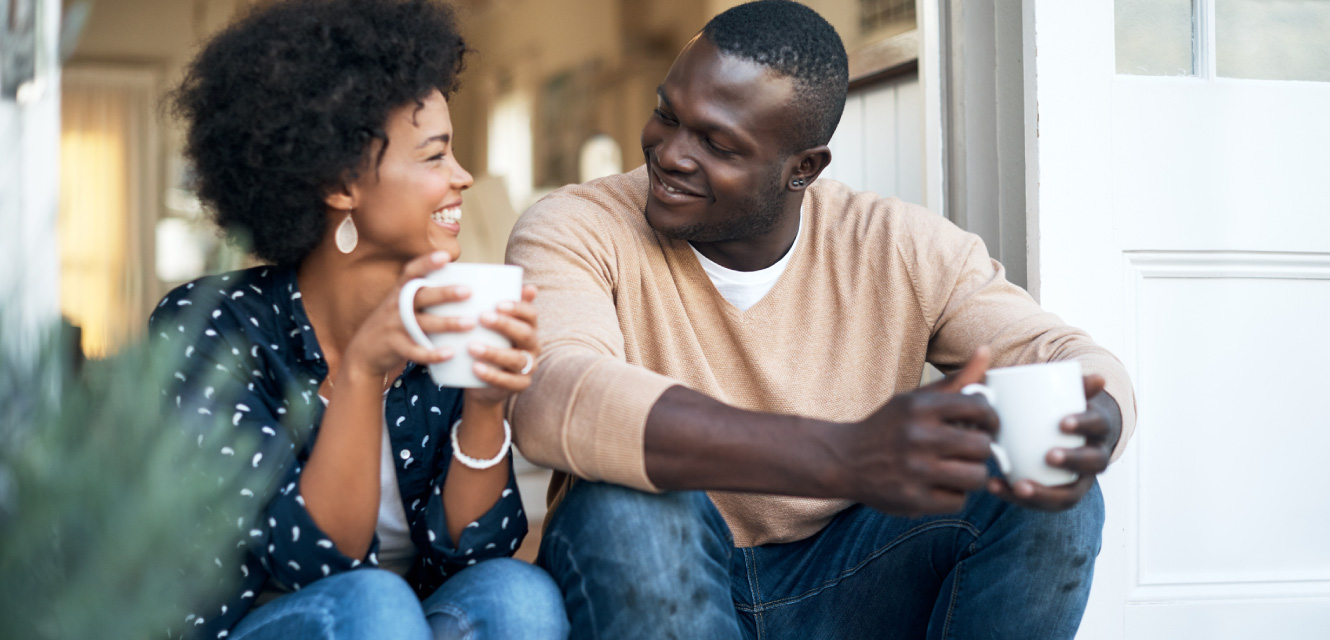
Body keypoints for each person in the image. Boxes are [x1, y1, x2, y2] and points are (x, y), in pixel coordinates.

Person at [505, 1, 1136, 638]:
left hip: (848, 580)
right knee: (621, 503)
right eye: (667, 115)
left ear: (803, 168)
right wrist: (844, 455)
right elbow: (554, 396)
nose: (669, 154)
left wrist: (1091, 420)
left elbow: (1065, 354)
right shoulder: (575, 225)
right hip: (659, 568)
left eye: (717, 143)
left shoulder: (899, 245)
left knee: (1051, 483)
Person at [150, 1, 568, 638]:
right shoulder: (212, 329)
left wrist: (486, 406)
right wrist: (364, 372)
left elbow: (474, 555)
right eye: (434, 157)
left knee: (519, 595)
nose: (464, 176)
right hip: (263, 621)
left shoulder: (443, 320)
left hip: (400, 620)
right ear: (340, 183)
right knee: (373, 603)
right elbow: (318, 562)